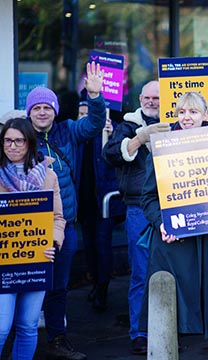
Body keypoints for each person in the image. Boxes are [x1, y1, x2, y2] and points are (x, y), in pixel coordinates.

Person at [140, 91, 208, 359]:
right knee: (170, 310)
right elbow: (147, 197)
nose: (186, 117)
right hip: (173, 241)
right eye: (182, 112)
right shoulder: (161, 147)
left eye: (193, 112)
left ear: (205, 114)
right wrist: (160, 222)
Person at [27, 62, 106, 360]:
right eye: (37, 108)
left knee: (59, 286)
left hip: (66, 226)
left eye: (48, 107)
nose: (43, 112)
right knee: (30, 284)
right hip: (30, 225)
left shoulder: (69, 131)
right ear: (29, 112)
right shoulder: (20, 136)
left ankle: (57, 340)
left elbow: (95, 124)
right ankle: (24, 339)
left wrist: (95, 96)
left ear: (55, 111)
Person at [102, 80, 170, 354]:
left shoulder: (176, 123)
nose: (152, 101)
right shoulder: (127, 126)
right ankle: (139, 332)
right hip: (138, 209)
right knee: (141, 272)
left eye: (157, 97)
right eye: (147, 97)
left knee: (171, 271)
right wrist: (141, 137)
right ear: (140, 98)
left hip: (173, 207)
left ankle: (170, 327)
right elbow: (110, 155)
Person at [0, 118, 64, 359]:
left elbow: (58, 218)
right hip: (4, 262)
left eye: (19, 140)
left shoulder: (48, 177)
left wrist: (54, 243)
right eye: (7, 140)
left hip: (37, 260)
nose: (13, 146)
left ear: (29, 143)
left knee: (28, 327)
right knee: (2, 327)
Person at [77, 90, 125, 312]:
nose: (85, 116)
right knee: (89, 245)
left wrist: (112, 134)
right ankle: (95, 283)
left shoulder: (111, 129)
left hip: (104, 200)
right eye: (81, 112)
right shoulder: (76, 133)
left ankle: (103, 289)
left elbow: (121, 157)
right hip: (83, 200)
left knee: (103, 244)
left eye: (89, 112)